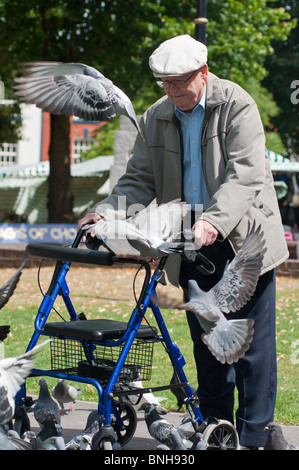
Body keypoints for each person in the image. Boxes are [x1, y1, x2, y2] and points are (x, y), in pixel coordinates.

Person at [78, 35, 288, 448]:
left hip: (244, 241)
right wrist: (106, 211)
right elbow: (139, 179)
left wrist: (212, 221)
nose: (173, 91)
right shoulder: (157, 115)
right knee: (210, 346)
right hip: (191, 242)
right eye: (165, 83)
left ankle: (255, 436)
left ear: (203, 73)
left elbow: (245, 176)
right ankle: (215, 430)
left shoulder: (238, 105)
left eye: (180, 81)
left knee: (253, 351)